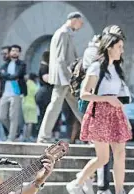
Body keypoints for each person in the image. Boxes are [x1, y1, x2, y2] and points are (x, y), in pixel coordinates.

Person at [66, 30, 132, 194]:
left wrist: (124, 116)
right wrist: (107, 99)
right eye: (119, 47)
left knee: (120, 154)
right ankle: (77, 183)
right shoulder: (96, 67)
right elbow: (85, 94)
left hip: (116, 114)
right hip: (100, 113)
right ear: (109, 47)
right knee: (103, 158)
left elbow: (120, 96)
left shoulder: (116, 69)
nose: (122, 51)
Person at [37, 12, 84, 143]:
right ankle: (43, 137)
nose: (81, 25)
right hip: (63, 78)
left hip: (66, 78)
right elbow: (61, 58)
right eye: (80, 22)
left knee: (77, 106)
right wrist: (69, 77)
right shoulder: (63, 33)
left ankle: (92, 134)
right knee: (55, 106)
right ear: (74, 20)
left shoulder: (66, 33)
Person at [0, 44, 27, 142]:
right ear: (10, 52)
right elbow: (1, 76)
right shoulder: (4, 65)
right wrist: (9, 76)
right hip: (5, 93)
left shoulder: (22, 64)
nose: (14, 52)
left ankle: (11, 138)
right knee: (1, 116)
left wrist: (6, 75)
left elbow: (17, 75)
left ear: (19, 53)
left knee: (13, 116)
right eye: (13, 50)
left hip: (16, 93)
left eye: (17, 51)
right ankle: (15, 132)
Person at [35, 50, 53, 137]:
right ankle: (42, 134)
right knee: (45, 114)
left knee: (44, 114)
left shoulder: (43, 67)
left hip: (43, 93)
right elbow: (46, 78)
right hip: (45, 93)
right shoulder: (44, 67)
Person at [22, 73, 39, 142]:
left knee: (26, 122)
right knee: (30, 122)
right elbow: (37, 95)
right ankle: (28, 137)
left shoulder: (25, 84)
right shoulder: (35, 86)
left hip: (24, 104)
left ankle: (24, 137)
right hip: (32, 105)